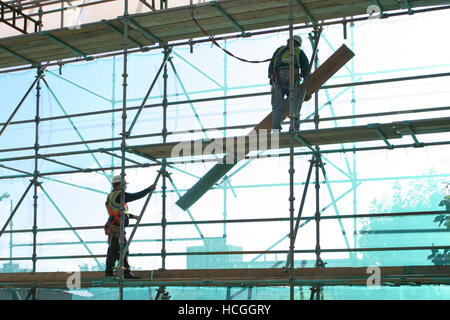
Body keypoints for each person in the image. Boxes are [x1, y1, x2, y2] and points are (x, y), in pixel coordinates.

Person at [104, 175, 156, 278]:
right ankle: (124, 273)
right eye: (124, 184)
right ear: (119, 184)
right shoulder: (119, 195)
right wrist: (148, 190)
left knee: (116, 250)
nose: (125, 187)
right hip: (116, 228)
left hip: (114, 226)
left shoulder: (112, 195)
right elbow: (134, 196)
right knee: (121, 250)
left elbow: (118, 211)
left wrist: (132, 216)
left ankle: (113, 272)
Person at [268, 35, 310, 131]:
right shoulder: (299, 52)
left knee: (277, 106)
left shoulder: (279, 50)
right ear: (298, 45)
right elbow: (306, 69)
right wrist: (304, 79)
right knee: (295, 105)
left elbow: (271, 66)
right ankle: (295, 128)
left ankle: (276, 130)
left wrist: (271, 78)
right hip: (292, 76)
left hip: (277, 77)